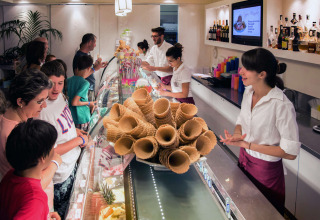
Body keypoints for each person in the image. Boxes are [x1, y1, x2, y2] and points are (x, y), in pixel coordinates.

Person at [219, 48, 301, 215]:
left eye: (246, 68)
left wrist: (248, 144)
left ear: (262, 74)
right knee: (242, 210)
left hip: (266, 171)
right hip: (244, 159)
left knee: (262, 214)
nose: (240, 71)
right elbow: (241, 121)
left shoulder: (281, 105)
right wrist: (236, 136)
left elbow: (290, 153)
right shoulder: (249, 93)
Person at [0, 69, 61, 212]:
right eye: (40, 101)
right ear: (20, 101)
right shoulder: (13, 135)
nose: (44, 106)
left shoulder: (14, 120)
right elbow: (29, 184)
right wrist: (54, 163)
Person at [39, 60, 89, 218]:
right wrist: (79, 141)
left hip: (71, 165)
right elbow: (50, 151)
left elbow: (62, 126)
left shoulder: (60, 96)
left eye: (60, 83)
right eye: (51, 83)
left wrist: (75, 131)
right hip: (60, 174)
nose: (56, 89)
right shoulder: (42, 110)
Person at [0, 119, 61, 220]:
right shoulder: (35, 199)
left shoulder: (11, 175)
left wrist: (44, 215)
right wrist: (36, 210)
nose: (54, 150)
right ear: (42, 157)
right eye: (52, 147)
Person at [72, 33, 107, 100]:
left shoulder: (86, 54)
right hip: (85, 90)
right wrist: (94, 69)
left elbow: (86, 68)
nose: (95, 45)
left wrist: (98, 65)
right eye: (94, 42)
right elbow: (78, 76)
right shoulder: (79, 56)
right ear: (89, 42)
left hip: (89, 88)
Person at [68, 55, 96, 132]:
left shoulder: (67, 80)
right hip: (81, 118)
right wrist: (89, 103)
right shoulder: (85, 83)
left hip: (70, 117)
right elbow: (74, 102)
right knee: (82, 140)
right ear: (88, 68)